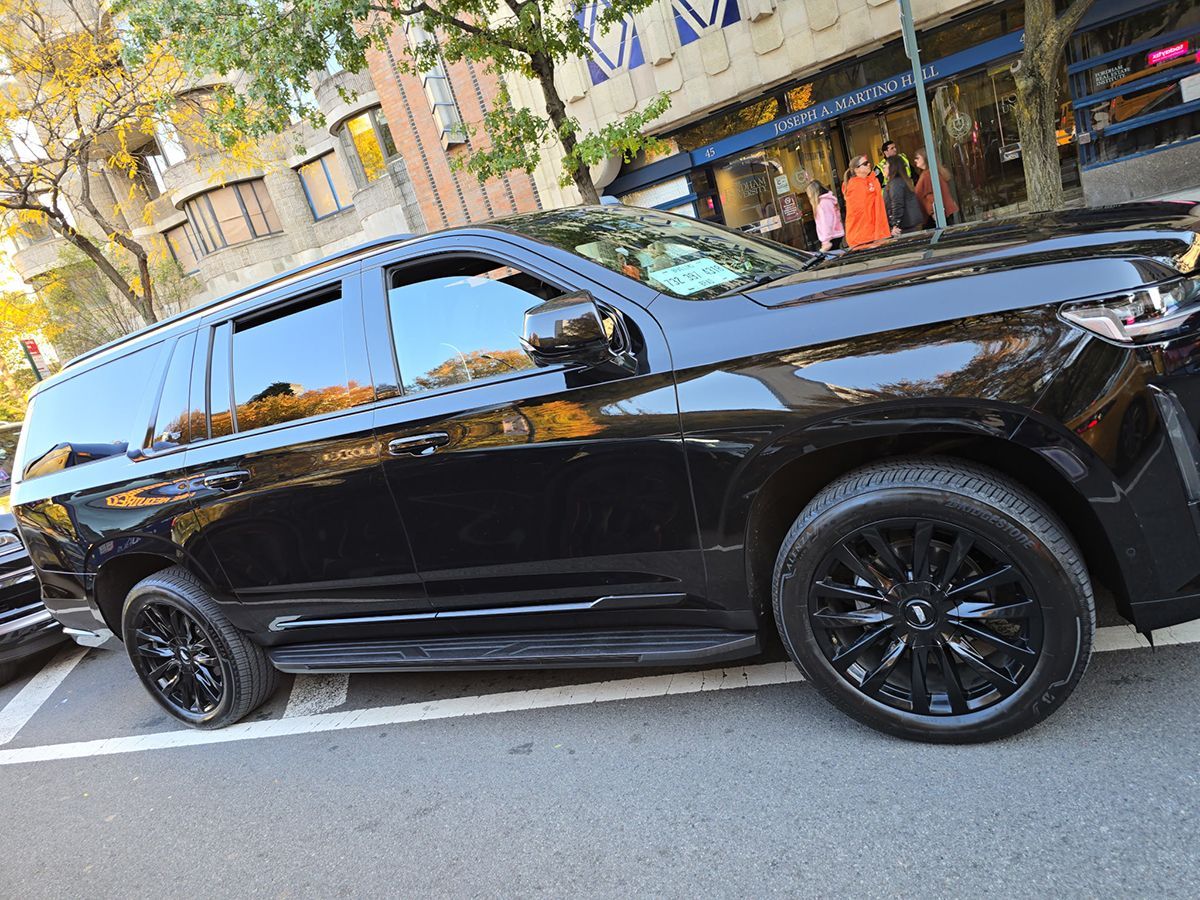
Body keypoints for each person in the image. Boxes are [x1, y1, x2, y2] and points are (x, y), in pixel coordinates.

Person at [841, 155, 891, 248]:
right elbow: (862, 213)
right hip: (863, 237)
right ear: (856, 170)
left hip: (871, 235)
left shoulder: (868, 181)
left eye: (868, 162)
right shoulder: (855, 186)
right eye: (865, 164)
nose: (869, 164)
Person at [912, 150, 960, 226]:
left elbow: (930, 196)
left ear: (925, 159)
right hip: (942, 212)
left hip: (935, 215)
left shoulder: (927, 175)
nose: (915, 160)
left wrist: (933, 212)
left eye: (917, 158)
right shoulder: (934, 171)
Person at [883, 157, 925, 234]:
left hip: (906, 226)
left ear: (893, 167)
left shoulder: (896, 183)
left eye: (886, 165)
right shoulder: (900, 181)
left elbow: (897, 204)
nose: (884, 167)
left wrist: (895, 224)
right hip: (910, 224)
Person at [804, 179, 844, 251]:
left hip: (831, 237)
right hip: (835, 234)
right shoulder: (828, 200)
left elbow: (826, 222)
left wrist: (826, 241)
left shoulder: (823, 203)